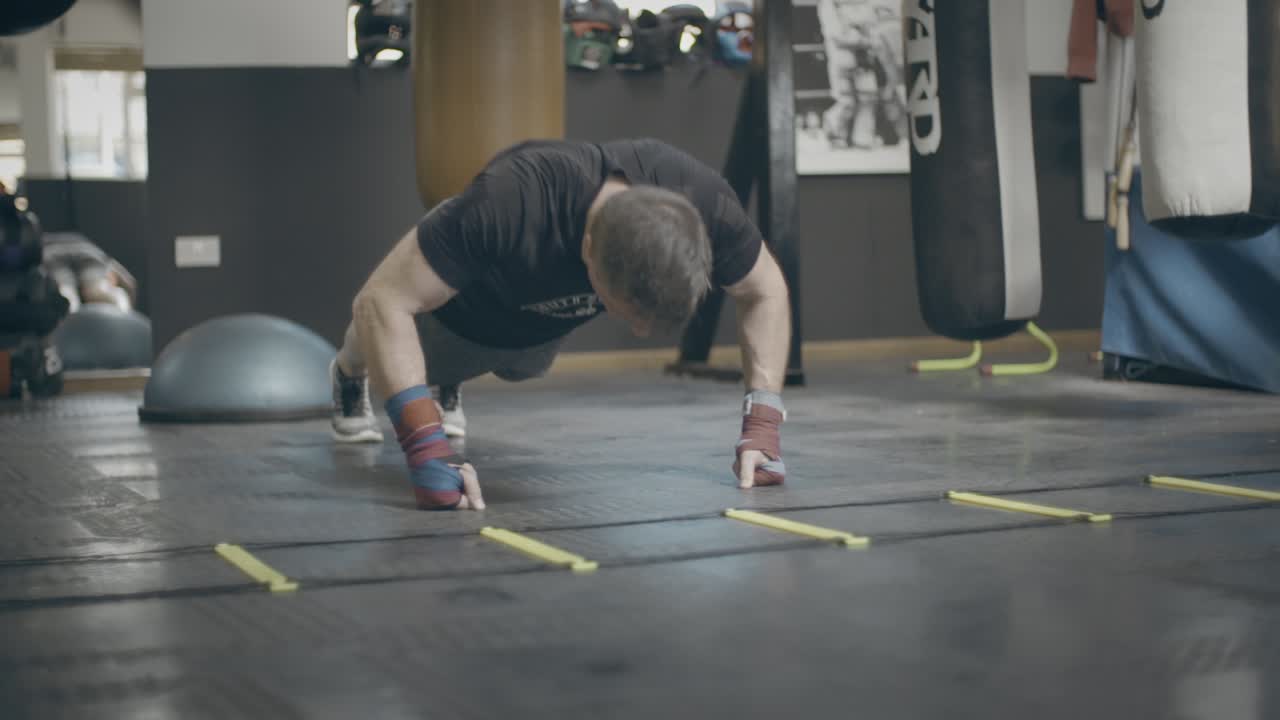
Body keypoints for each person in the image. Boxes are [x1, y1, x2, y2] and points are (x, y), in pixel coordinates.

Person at [331, 138, 792, 510]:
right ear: (587, 248)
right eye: (627, 312)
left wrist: (763, 425)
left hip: (535, 328)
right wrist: (423, 446)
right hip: (459, 307)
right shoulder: (510, 200)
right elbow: (382, 300)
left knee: (523, 365)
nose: (637, 332)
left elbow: (765, 288)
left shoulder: (702, 202)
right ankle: (350, 374)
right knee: (383, 321)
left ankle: (446, 378)